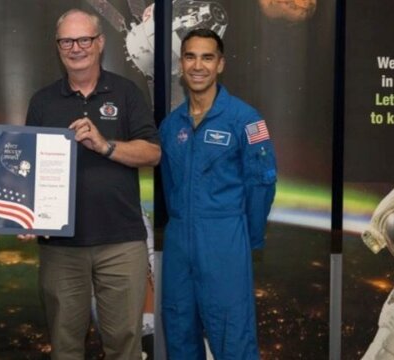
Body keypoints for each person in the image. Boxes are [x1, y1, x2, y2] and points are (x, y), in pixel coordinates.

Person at [24, 9, 161, 359]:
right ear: (58, 47)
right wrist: (25, 214)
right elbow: (28, 165)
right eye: (67, 41)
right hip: (61, 246)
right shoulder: (42, 101)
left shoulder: (126, 92)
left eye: (84, 39)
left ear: (99, 43)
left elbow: (152, 153)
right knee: (66, 345)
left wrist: (105, 146)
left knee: (124, 343)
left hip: (121, 242)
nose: (76, 48)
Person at [159, 29, 277, 359]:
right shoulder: (171, 126)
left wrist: (245, 238)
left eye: (207, 57)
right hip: (180, 242)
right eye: (190, 56)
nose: (198, 66)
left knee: (232, 337)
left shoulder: (245, 120)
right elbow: (169, 186)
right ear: (181, 63)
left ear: (220, 64)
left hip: (225, 240)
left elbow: (262, 185)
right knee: (180, 333)